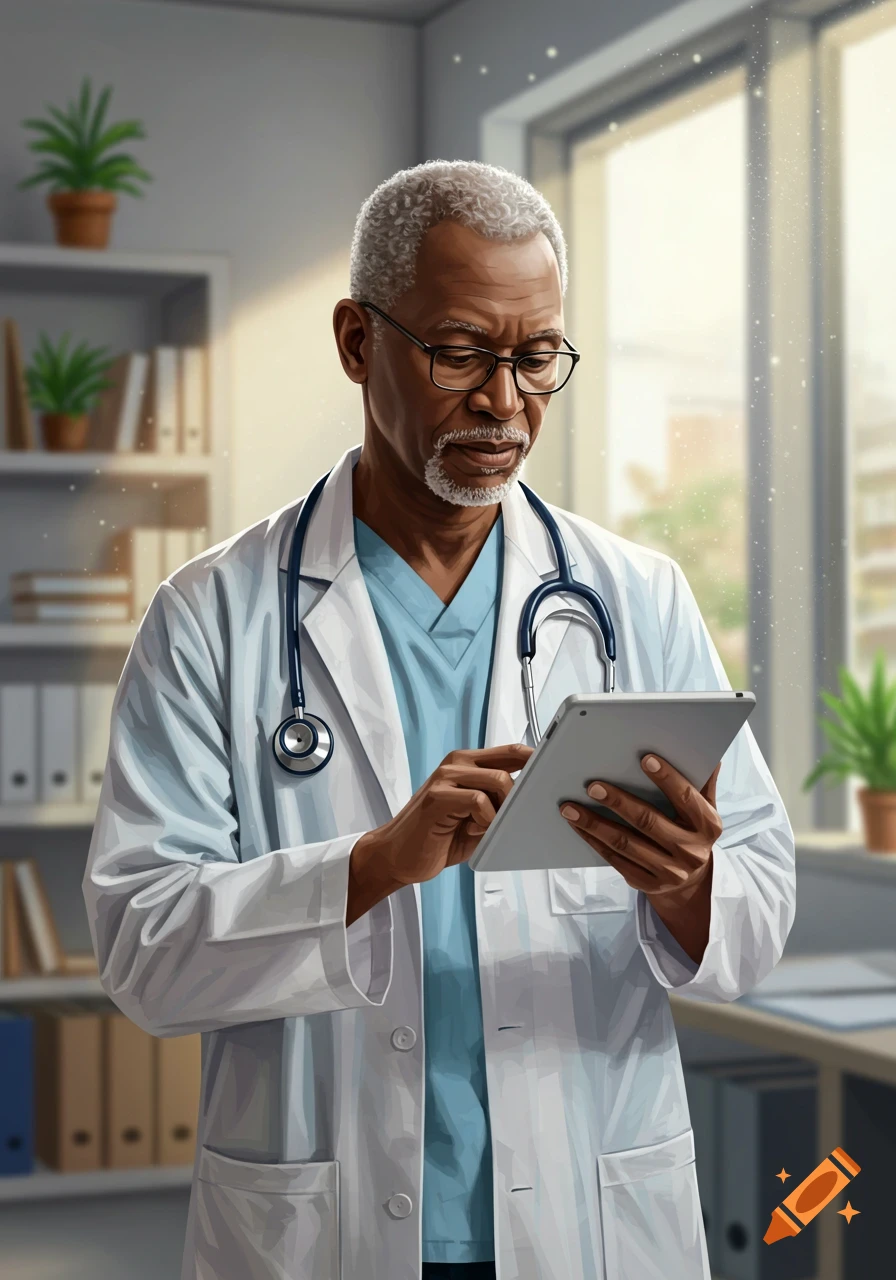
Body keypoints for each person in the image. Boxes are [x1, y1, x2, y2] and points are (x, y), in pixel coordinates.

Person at [83, 160, 795, 1280]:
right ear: (357, 341)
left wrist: (687, 882)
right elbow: (141, 948)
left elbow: (757, 913)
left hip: (585, 1209)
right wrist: (366, 866)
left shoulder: (634, 595)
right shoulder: (212, 614)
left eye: (535, 357)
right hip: (322, 1219)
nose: (505, 401)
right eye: (460, 351)